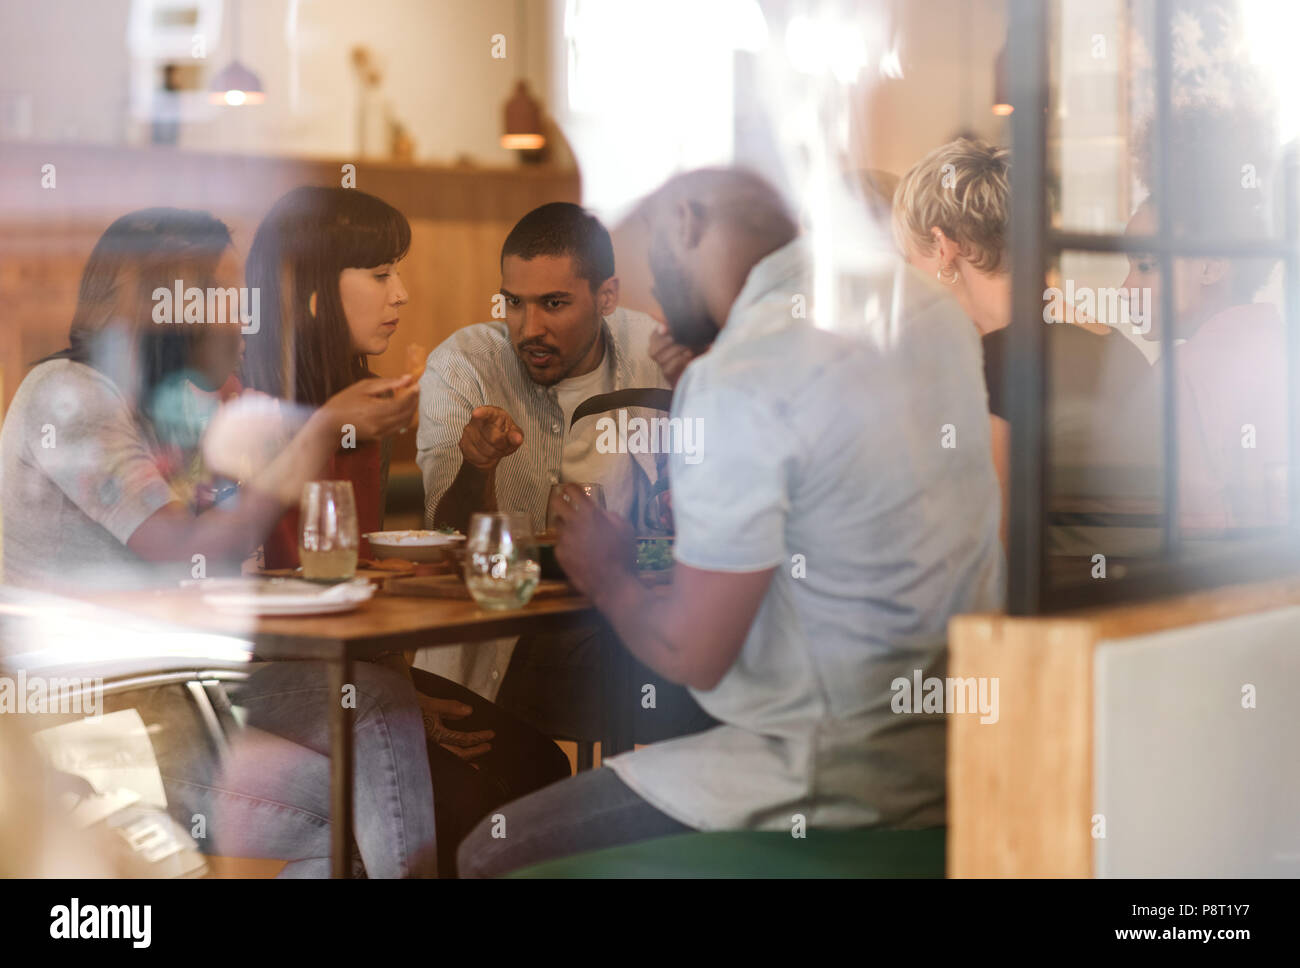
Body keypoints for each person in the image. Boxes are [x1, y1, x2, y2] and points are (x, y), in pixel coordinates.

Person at [456, 167, 1004, 876]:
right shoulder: (927, 308)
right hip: (954, 749)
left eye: (650, 247)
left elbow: (694, 652)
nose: (651, 287)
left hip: (823, 773)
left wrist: (605, 568)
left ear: (685, 220)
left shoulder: (743, 369)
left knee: (488, 850)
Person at [0, 207, 438, 877]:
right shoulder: (69, 399)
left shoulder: (156, 407)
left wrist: (330, 421)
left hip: (175, 682)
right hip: (97, 719)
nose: (249, 315)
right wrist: (320, 431)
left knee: (379, 699)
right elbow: (183, 549)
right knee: (341, 802)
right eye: (232, 296)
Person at [241, 186, 570, 876]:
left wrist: (403, 682)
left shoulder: (370, 416)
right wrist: (388, 692)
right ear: (309, 289)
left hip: (364, 675)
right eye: (381, 273)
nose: (403, 295)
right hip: (269, 688)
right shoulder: (247, 412)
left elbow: (354, 573)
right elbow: (253, 596)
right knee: (469, 799)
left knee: (535, 760)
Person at [414, 201, 714, 746]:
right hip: (498, 643)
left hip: (619, 625)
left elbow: (689, 539)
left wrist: (624, 553)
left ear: (606, 296)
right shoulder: (463, 367)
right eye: (514, 303)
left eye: (554, 304)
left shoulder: (655, 360)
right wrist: (476, 468)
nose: (530, 328)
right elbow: (444, 544)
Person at [892, 137, 1159, 551]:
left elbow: (986, 548)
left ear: (943, 248)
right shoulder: (1114, 346)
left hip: (1054, 606)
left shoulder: (990, 367)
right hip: (1139, 597)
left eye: (911, 259)